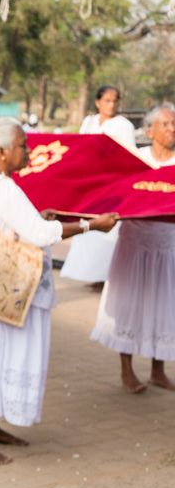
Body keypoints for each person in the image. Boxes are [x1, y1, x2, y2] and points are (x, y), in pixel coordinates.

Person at [0, 117, 118, 465]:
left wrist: (40, 219)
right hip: (1, 289)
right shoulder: (5, 187)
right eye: (22, 146)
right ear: (1, 152)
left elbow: (17, 227)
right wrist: (92, 225)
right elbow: (41, 235)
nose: (28, 151)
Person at [91, 104, 175, 394]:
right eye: (165, 124)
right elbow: (113, 195)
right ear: (149, 131)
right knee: (128, 305)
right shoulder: (135, 162)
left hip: (166, 244)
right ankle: (127, 372)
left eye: (174, 124)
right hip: (134, 244)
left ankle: (158, 371)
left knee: (164, 306)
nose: (171, 130)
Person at [61, 86, 137, 285]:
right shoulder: (89, 122)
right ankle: (90, 273)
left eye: (114, 101)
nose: (111, 105)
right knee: (88, 228)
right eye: (107, 101)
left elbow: (128, 156)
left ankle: (105, 276)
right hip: (88, 183)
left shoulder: (123, 125)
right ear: (98, 102)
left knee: (108, 228)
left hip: (112, 184)